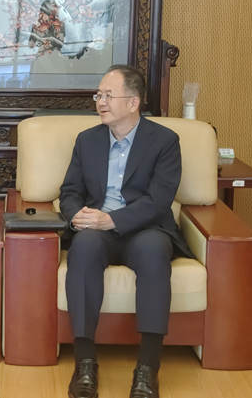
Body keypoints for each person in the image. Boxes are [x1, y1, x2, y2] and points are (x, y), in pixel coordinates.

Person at [60, 65, 193, 398]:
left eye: (108, 96)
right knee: (83, 248)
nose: (100, 102)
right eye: (98, 95)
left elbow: (159, 199)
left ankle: (147, 367)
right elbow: (70, 191)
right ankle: (85, 362)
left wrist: (113, 220)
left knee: (153, 253)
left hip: (146, 228)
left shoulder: (164, 141)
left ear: (133, 103)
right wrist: (77, 216)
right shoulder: (87, 140)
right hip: (97, 230)